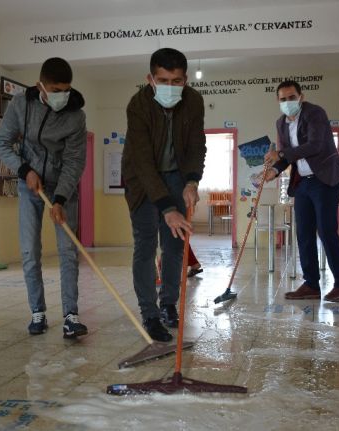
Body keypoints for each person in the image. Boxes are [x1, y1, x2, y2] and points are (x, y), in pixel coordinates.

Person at [0, 57, 88, 338]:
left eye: (66, 90)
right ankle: (38, 312)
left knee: (68, 251)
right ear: (41, 86)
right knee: (29, 251)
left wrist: (59, 199)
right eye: (56, 90)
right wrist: (25, 170)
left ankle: (71, 316)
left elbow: (74, 162)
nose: (62, 96)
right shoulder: (20, 105)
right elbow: (2, 143)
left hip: (62, 188)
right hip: (30, 186)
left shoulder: (76, 116)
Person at [122, 48, 206, 342]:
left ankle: (168, 304)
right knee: (145, 247)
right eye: (163, 80)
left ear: (185, 80)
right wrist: (167, 208)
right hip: (142, 181)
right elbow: (142, 161)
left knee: (174, 246)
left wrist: (192, 181)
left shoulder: (193, 101)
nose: (170, 87)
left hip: (177, 177)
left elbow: (196, 146)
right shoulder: (138, 105)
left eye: (177, 81)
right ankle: (150, 314)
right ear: (150, 79)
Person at [262, 80, 339, 302]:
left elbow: (314, 145)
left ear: (301, 96)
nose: (288, 102)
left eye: (292, 97)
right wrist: (275, 170)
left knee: (326, 231)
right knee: (303, 233)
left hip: (325, 180)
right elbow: (286, 154)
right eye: (283, 99)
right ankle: (311, 285)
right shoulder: (281, 123)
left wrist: (281, 155)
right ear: (277, 100)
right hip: (302, 182)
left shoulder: (314, 113)